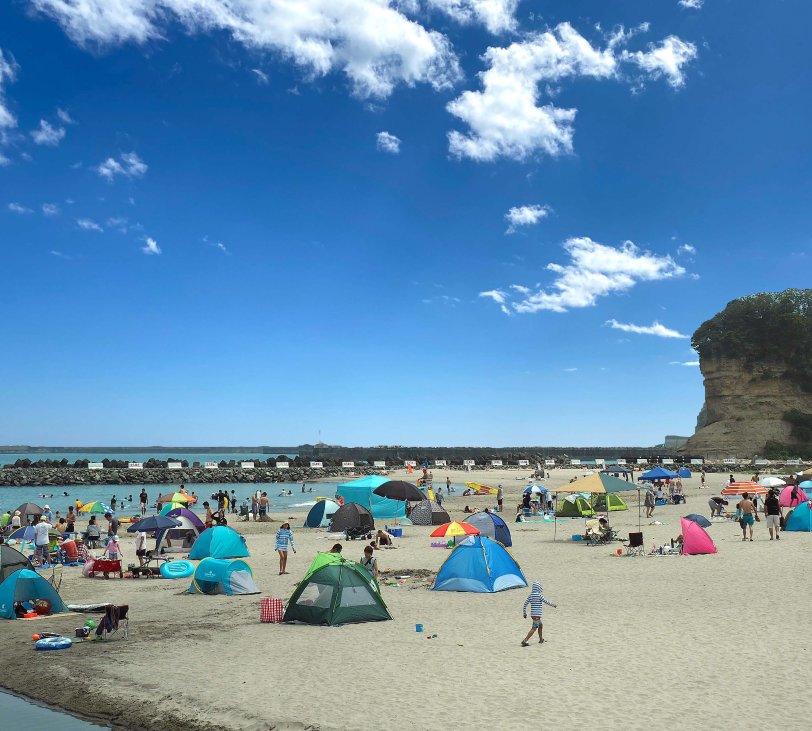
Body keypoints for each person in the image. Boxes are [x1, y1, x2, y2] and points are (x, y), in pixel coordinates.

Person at [521, 581, 557, 646]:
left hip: (533, 615)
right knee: (534, 628)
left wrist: (524, 613)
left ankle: (541, 639)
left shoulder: (530, 595)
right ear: (538, 588)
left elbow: (525, 604)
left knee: (540, 625)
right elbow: (546, 601)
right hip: (537, 616)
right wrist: (553, 605)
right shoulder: (539, 595)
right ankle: (525, 640)